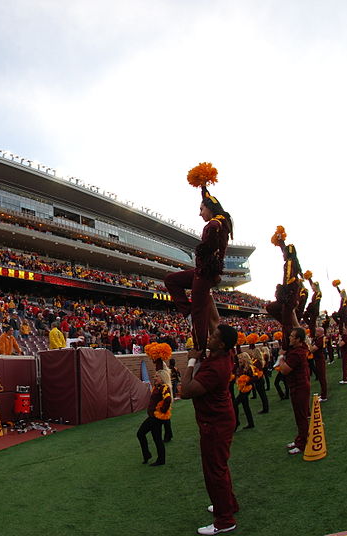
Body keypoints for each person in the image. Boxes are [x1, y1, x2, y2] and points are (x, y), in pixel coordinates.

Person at [165, 164, 233, 359]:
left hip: (204, 274)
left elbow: (209, 248)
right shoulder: (221, 220)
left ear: (209, 209)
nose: (199, 213)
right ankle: (189, 315)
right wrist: (203, 186)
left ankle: (200, 350)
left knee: (199, 314)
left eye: (201, 209)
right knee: (171, 280)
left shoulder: (214, 224)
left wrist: (202, 254)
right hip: (205, 273)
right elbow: (209, 201)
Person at [181, 324, 239, 535]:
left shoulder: (216, 367)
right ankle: (228, 504)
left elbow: (186, 391)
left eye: (214, 336)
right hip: (219, 420)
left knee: (214, 471)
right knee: (220, 468)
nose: (210, 336)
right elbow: (214, 318)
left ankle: (225, 520)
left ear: (222, 344)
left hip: (215, 424)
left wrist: (190, 361)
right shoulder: (223, 354)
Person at [275, 327, 311, 456]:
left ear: (298, 339)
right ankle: (300, 439)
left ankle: (302, 444)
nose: (289, 338)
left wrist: (281, 357)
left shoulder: (297, 353)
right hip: (298, 385)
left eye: (292, 336)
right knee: (299, 415)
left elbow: (285, 370)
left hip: (299, 386)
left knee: (301, 416)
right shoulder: (300, 349)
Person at [136, 368, 172, 467]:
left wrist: (162, 410)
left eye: (157, 376)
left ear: (162, 378)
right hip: (154, 416)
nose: (154, 377)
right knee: (156, 438)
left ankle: (150, 456)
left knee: (141, 434)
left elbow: (168, 399)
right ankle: (155, 458)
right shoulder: (157, 387)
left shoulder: (164, 387)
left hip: (155, 418)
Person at [308, 327, 328, 401]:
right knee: (320, 377)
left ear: (320, 332)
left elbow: (313, 349)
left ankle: (324, 396)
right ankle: (323, 394)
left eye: (317, 331)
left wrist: (309, 344)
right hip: (317, 359)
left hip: (320, 359)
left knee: (322, 377)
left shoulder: (320, 339)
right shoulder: (317, 339)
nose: (315, 332)